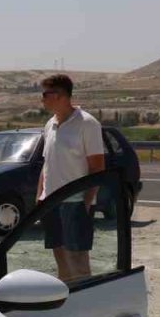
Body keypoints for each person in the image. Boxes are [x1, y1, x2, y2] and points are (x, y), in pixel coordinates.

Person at [35, 74, 105, 283]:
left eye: (45, 94)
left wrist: (86, 202)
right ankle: (66, 298)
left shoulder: (87, 124)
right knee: (60, 255)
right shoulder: (50, 124)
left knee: (78, 259)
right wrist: (40, 196)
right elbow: (46, 164)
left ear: (59, 95)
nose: (42, 100)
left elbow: (97, 167)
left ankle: (86, 303)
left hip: (75, 203)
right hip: (51, 203)